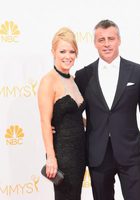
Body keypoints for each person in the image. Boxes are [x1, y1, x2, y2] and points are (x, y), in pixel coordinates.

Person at [75, 20, 140, 200]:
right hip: (98, 154)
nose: (106, 44)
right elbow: (75, 112)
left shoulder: (138, 72)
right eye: (101, 40)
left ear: (119, 40)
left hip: (131, 152)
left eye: (111, 38)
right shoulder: (83, 76)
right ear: (95, 43)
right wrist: (58, 127)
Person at [38, 27, 86, 200]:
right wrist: (51, 157)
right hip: (63, 154)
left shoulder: (73, 79)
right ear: (53, 51)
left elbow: (73, 115)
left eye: (72, 51)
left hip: (80, 151)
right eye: (62, 51)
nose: (68, 56)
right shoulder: (48, 81)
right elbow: (45, 121)